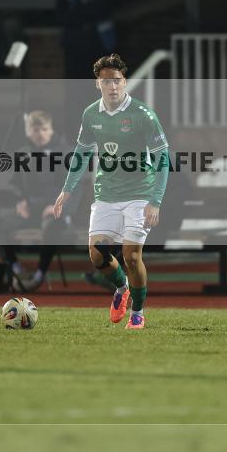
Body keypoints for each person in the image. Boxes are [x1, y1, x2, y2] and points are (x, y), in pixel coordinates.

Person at [53, 54, 170, 330]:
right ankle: (122, 289)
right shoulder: (91, 114)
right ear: (98, 84)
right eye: (106, 82)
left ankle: (138, 312)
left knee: (131, 256)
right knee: (97, 255)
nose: (112, 86)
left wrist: (156, 200)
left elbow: (163, 157)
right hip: (106, 195)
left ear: (125, 82)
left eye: (117, 80)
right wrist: (66, 190)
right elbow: (81, 153)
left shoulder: (142, 115)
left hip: (140, 194)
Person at [3, 111, 74, 292]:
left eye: (44, 129)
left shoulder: (65, 151)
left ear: (51, 130)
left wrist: (55, 204)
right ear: (28, 132)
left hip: (56, 210)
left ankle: (39, 275)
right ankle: (16, 269)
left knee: (52, 227)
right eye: (36, 130)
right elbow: (14, 183)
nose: (40, 133)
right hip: (30, 209)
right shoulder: (23, 153)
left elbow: (72, 184)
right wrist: (19, 201)